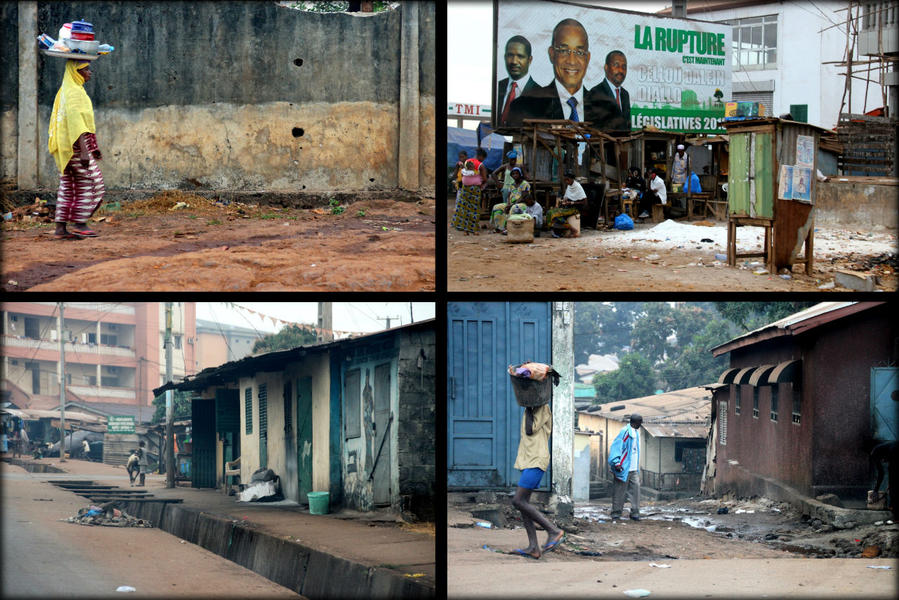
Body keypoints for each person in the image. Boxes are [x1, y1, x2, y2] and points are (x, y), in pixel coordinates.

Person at [49, 60, 105, 239]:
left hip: (66, 147)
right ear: (76, 73)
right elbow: (76, 124)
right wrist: (84, 151)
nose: (90, 72)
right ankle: (80, 223)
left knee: (68, 186)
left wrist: (89, 147)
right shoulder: (73, 92)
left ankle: (60, 229)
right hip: (75, 147)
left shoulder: (68, 89)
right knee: (95, 184)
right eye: (85, 69)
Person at [507, 19, 590, 126]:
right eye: (564, 51)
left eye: (579, 52)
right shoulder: (524, 106)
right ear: (552, 54)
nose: (572, 61)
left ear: (587, 58)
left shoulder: (610, 111)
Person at [510, 402, 565, 559]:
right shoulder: (532, 409)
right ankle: (533, 547)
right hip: (528, 459)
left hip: (536, 460)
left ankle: (553, 530)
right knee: (524, 504)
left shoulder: (542, 408)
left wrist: (528, 408)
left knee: (518, 501)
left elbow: (530, 429)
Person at [497, 36, 540, 127]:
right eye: (510, 55)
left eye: (520, 56)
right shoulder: (497, 87)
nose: (514, 61)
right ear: (505, 57)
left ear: (530, 60)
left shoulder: (540, 94)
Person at [585, 50, 631, 132]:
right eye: (616, 65)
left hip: (623, 143)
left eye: (624, 67)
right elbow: (593, 129)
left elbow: (627, 126)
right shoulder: (595, 93)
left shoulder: (625, 94)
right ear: (606, 67)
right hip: (602, 144)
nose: (620, 70)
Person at [609, 413, 643, 521]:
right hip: (623, 468)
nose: (640, 425)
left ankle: (635, 513)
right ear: (635, 422)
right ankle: (616, 513)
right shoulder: (625, 432)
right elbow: (616, 446)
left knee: (636, 490)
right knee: (619, 491)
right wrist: (616, 462)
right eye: (640, 423)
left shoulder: (636, 433)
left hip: (634, 468)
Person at [451, 148, 488, 235]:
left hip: (465, 188)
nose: (483, 160)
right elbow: (485, 178)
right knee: (474, 209)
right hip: (475, 189)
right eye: (483, 158)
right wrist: (482, 183)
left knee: (465, 209)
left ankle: (465, 230)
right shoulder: (481, 165)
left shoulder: (467, 161)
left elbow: (461, 172)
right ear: (481, 156)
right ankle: (474, 229)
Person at [490, 167, 531, 232]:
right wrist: (508, 203)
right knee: (497, 207)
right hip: (511, 203)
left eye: (517, 173)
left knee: (514, 208)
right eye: (513, 174)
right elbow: (509, 196)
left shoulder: (525, 184)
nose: (515, 175)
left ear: (520, 174)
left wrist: (512, 205)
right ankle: (499, 227)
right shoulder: (511, 185)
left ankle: (508, 228)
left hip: (522, 204)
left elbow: (523, 197)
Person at [545, 172, 586, 237]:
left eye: (568, 179)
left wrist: (571, 202)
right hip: (568, 207)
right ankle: (558, 231)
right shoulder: (569, 186)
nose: (566, 181)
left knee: (554, 214)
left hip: (575, 208)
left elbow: (584, 202)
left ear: (572, 179)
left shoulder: (578, 187)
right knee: (550, 212)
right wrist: (563, 201)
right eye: (565, 180)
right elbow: (567, 197)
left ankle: (572, 230)